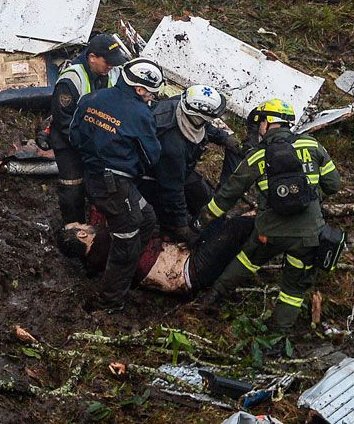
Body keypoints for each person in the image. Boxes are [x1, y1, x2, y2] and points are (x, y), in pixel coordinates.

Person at [197, 98, 341, 333]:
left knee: (246, 260)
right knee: (294, 290)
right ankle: (279, 336)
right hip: (308, 236)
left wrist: (202, 220)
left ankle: (211, 298)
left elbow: (227, 195)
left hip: (269, 233)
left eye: (260, 123)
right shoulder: (313, 147)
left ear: (268, 123)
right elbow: (333, 184)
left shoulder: (257, 157)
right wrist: (313, 197)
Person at [69, 57, 164, 312]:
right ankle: (108, 301)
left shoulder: (91, 99)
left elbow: (74, 135)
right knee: (127, 241)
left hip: (97, 177)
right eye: (151, 93)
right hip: (115, 186)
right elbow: (151, 156)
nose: (151, 99)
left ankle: (109, 269)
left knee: (147, 218)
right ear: (140, 89)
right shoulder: (141, 114)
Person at [139, 85, 241, 246]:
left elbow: (203, 125)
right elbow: (173, 189)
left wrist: (222, 137)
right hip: (152, 180)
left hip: (179, 171)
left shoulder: (182, 107)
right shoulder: (173, 146)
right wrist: (181, 225)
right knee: (166, 221)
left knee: (206, 202)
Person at [57, 215, 255, 296]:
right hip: (191, 268)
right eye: (79, 226)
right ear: (82, 235)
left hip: (187, 271)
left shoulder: (97, 257)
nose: (84, 224)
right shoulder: (110, 239)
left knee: (219, 226)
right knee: (239, 225)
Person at [49, 34, 129, 225]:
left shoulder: (112, 73)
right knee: (73, 187)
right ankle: (73, 229)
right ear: (92, 57)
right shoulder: (71, 79)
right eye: (107, 62)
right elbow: (64, 121)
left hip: (98, 141)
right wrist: (89, 144)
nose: (111, 66)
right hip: (69, 141)